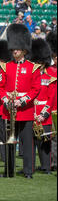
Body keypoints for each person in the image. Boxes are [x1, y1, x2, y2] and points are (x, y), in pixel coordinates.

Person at [0, 24, 41, 179]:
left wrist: (23, 101)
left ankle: (28, 171)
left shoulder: (33, 68)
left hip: (25, 110)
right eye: (13, 48)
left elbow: (36, 89)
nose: (14, 50)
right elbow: (0, 87)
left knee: (27, 143)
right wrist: (5, 99)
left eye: (17, 48)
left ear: (24, 49)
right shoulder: (5, 67)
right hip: (8, 110)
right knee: (9, 143)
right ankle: (8, 171)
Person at [29, 38, 55, 174]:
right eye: (36, 62)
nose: (39, 65)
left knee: (44, 142)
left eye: (41, 62)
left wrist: (43, 114)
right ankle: (30, 167)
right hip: (31, 112)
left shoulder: (50, 76)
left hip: (44, 113)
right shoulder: (31, 76)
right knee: (31, 143)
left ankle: (46, 167)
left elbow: (51, 98)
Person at [45, 32, 57, 171]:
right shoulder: (49, 70)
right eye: (54, 56)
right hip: (53, 108)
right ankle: (54, 163)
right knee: (53, 137)